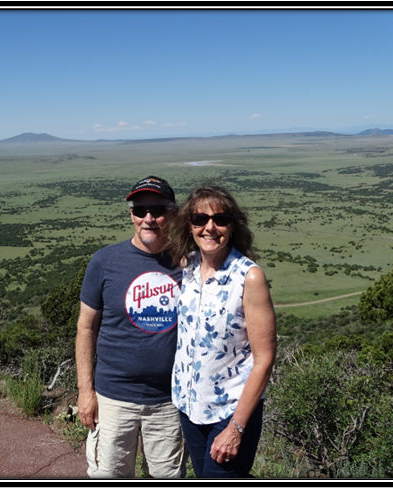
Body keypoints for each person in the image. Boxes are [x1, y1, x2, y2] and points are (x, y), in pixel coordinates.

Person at [76, 176, 187, 478]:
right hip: (112, 397)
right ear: (131, 215)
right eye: (140, 211)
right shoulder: (105, 261)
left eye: (158, 210)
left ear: (173, 213)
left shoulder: (189, 263)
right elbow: (86, 328)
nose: (148, 218)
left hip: (169, 400)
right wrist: (86, 391)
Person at [166, 184, 277, 478]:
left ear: (233, 225)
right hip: (191, 407)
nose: (210, 227)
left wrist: (236, 428)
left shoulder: (249, 277)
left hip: (230, 412)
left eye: (221, 219)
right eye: (200, 219)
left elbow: (264, 359)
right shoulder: (187, 268)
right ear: (189, 226)